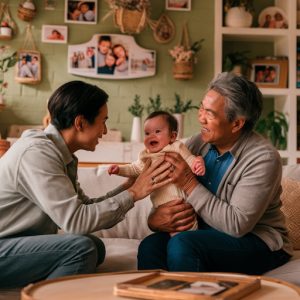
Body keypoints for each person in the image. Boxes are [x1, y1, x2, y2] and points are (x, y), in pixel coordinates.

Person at [0, 80, 172, 288]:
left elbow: (84, 208)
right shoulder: (37, 154)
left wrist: (127, 188)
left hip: (12, 244)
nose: (105, 130)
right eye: (103, 121)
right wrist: (135, 193)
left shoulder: (60, 154)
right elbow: (76, 222)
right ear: (80, 123)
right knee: (82, 249)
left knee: (94, 245)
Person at [137, 72, 292, 275]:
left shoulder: (263, 158)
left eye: (210, 113)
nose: (200, 117)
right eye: (201, 107)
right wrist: (155, 219)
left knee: (183, 244)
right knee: (150, 246)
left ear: (237, 123)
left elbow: (237, 225)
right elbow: (168, 191)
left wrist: (189, 182)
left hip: (258, 241)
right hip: (204, 233)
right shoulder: (196, 143)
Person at [108, 111, 205, 234]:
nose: (151, 136)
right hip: (160, 209)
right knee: (166, 237)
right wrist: (119, 170)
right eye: (147, 133)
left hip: (182, 205)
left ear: (172, 136)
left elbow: (190, 160)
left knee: (187, 232)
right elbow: (135, 169)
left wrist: (197, 163)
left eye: (157, 132)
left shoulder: (176, 147)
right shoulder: (145, 155)